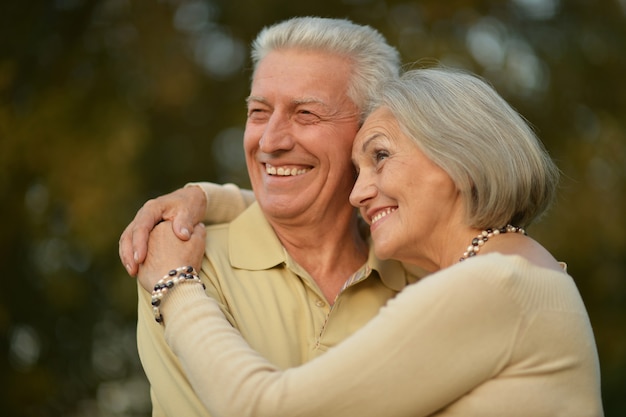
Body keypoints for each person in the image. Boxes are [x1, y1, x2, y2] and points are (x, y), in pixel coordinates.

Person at [136, 67, 604, 417]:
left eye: (380, 156)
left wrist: (175, 285)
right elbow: (319, 215)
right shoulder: (523, 274)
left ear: (459, 155)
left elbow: (264, 409)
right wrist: (208, 199)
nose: (358, 192)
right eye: (358, 170)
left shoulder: (492, 287)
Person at [124, 17, 425, 416]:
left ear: (370, 131)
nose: (270, 142)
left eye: (305, 114)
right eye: (260, 112)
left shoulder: (421, 283)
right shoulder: (182, 266)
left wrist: (209, 196)